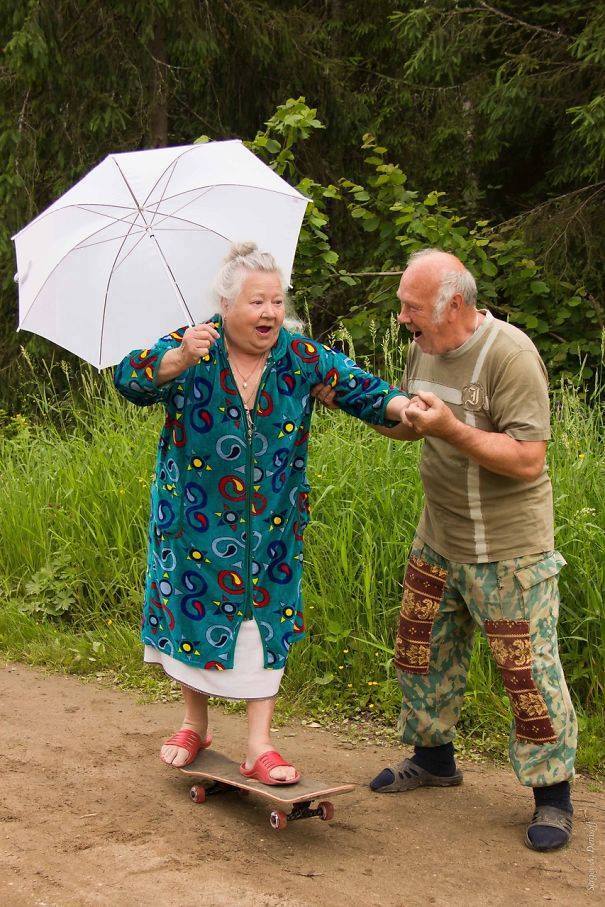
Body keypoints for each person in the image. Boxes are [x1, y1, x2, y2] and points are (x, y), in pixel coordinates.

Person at [114, 242, 411, 785]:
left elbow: (362, 389)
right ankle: (194, 724)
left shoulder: (299, 356)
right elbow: (128, 380)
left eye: (276, 301)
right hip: (193, 518)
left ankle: (259, 744)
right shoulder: (191, 346)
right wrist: (177, 360)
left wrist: (408, 409)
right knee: (193, 611)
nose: (270, 312)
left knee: (264, 619)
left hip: (272, 522)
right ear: (226, 305)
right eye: (257, 302)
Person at [313, 248, 577, 850]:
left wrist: (452, 428)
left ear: (453, 304)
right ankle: (433, 760)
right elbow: (410, 425)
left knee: (527, 673)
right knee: (420, 651)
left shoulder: (509, 356)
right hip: (438, 537)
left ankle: (553, 796)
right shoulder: (424, 346)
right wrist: (349, 403)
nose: (402, 317)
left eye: (411, 307)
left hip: (509, 551)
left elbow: (529, 458)